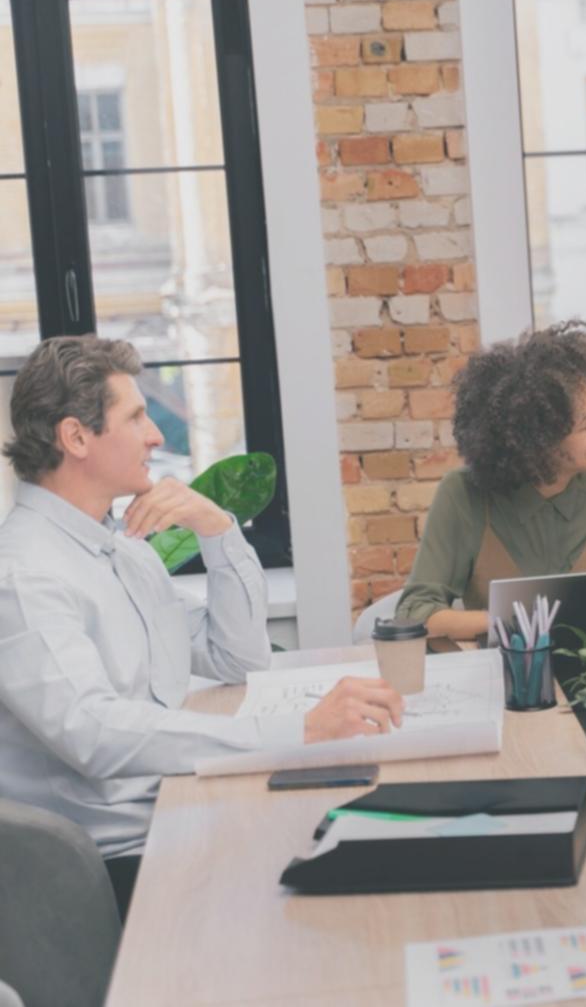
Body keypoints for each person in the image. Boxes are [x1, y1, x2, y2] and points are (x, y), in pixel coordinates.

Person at [0, 337, 402, 916]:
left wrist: (216, 528)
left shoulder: (126, 551)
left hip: (176, 812)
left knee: (362, 831)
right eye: (136, 417)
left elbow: (236, 658)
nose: (156, 435)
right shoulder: (23, 573)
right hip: (113, 867)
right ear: (76, 437)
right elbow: (94, 734)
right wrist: (300, 729)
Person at [396, 320, 586, 642]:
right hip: (504, 681)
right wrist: (510, 620)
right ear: (537, 444)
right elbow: (415, 613)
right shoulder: (462, 495)